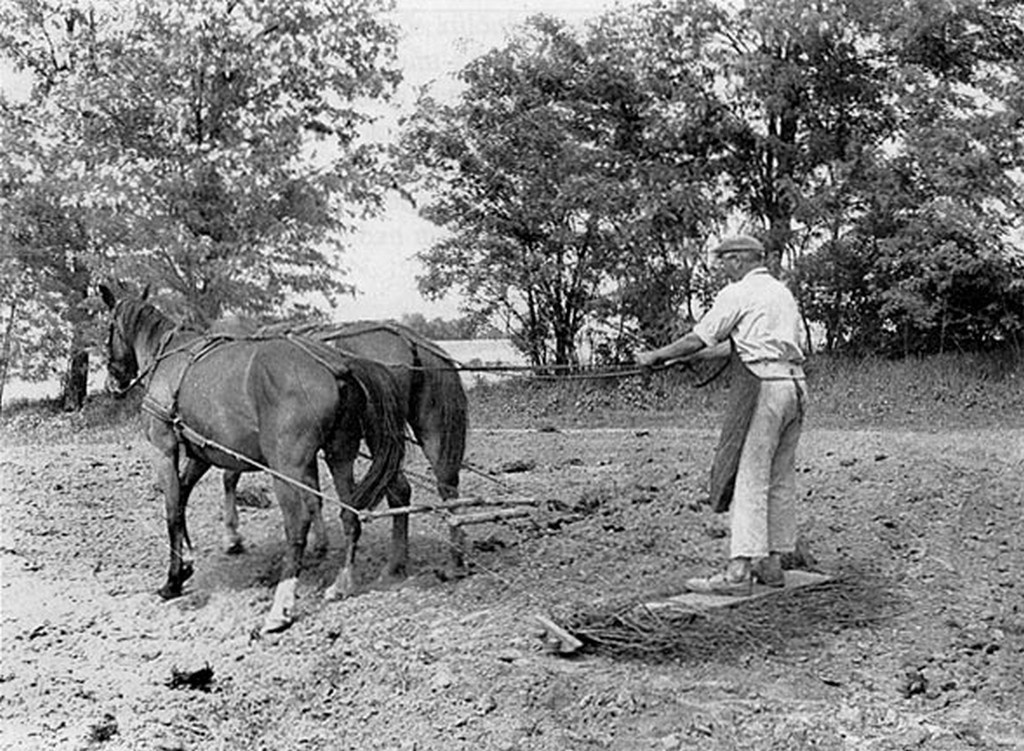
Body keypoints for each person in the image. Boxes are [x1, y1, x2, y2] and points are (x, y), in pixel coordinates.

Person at [636, 235, 807, 595]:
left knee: (749, 476)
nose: (722, 268)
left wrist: (656, 355)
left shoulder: (737, 293)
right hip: (793, 385)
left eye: (725, 261)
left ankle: (738, 574)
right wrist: (685, 357)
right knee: (779, 478)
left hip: (763, 388)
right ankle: (773, 565)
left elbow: (700, 337)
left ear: (739, 260)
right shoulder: (781, 293)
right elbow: (739, 344)